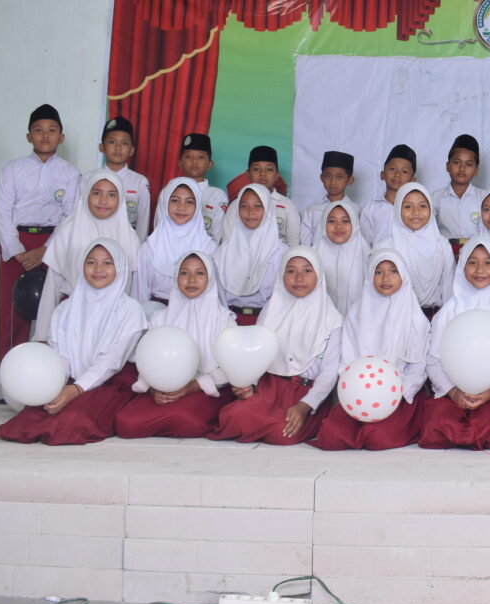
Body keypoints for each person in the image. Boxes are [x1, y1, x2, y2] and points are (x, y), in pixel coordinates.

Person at [0, 239, 145, 445]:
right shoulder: (65, 309)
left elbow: (111, 362)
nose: (98, 269)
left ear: (120, 268)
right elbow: (61, 356)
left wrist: (76, 390)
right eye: (91, 262)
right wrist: (56, 388)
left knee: (71, 422)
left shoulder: (131, 311)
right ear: (82, 266)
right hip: (71, 381)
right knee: (28, 421)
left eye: (107, 263)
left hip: (111, 383)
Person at [208, 247, 343, 445]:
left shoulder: (332, 320)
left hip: (305, 393)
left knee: (281, 432)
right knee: (231, 417)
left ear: (319, 275)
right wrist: (249, 385)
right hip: (270, 388)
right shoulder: (270, 311)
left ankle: (283, 420)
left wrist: (304, 406)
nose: (298, 278)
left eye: (307, 270)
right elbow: (257, 355)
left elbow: (329, 373)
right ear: (281, 275)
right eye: (291, 271)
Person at [307, 249, 430, 450]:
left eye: (393, 271)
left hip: (399, 395)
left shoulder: (415, 319)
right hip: (359, 393)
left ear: (404, 276)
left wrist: (395, 395)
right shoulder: (356, 314)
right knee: (332, 435)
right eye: (378, 272)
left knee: (377, 438)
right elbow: (347, 362)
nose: (385, 278)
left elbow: (417, 368)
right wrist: (360, 393)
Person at [420, 237, 490, 450]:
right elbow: (433, 362)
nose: (480, 269)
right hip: (455, 393)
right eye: (472, 262)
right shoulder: (448, 313)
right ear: (462, 266)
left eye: (488, 262)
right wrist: (454, 392)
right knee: (436, 426)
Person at [114, 251, 236, 438]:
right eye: (184, 273)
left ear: (210, 278)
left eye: (199, 273)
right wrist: (154, 387)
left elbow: (231, 367)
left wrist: (192, 386)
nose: (191, 280)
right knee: (126, 423)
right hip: (163, 388)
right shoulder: (160, 318)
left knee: (186, 420)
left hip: (203, 389)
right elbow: (146, 358)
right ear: (176, 277)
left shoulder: (224, 319)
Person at [0, 103, 80, 361]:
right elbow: (1, 212)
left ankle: (54, 372)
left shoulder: (70, 174)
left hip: (53, 243)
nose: (45, 135)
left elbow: (70, 216)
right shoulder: (12, 169)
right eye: (38, 130)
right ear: (28, 136)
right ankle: (11, 375)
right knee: (12, 313)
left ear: (61, 137)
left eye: (52, 130)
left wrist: (45, 251)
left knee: (56, 310)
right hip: (16, 244)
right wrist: (17, 251)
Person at [35, 171, 141, 342]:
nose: (103, 201)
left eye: (111, 195)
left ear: (121, 198)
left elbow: (135, 291)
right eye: (96, 193)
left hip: (115, 324)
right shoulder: (68, 231)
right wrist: (43, 335)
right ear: (86, 195)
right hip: (72, 321)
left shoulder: (130, 237)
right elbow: (51, 289)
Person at [374, 182, 454, 318]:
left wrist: (446, 321)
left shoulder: (442, 246)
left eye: (422, 206)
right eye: (408, 206)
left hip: (434, 318)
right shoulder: (385, 247)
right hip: (396, 318)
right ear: (398, 209)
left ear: (430, 209)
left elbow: (449, 290)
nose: (416, 212)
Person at [133, 177, 215, 304]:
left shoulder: (209, 248)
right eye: (175, 200)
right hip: (154, 311)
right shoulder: (149, 247)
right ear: (165, 202)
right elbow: (140, 293)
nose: (181, 207)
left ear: (197, 206)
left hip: (194, 312)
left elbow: (211, 295)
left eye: (189, 202)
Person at [214, 183, 285, 325]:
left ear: (268, 210)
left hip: (268, 323)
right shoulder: (223, 252)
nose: (250, 212)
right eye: (244, 206)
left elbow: (282, 298)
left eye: (258, 206)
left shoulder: (281, 252)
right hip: (228, 322)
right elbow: (218, 298)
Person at [155, 133, 228, 244]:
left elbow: (217, 236)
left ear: (210, 164)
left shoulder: (217, 196)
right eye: (188, 156)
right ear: (180, 163)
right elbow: (159, 227)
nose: (194, 161)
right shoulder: (168, 191)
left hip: (203, 253)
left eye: (200, 157)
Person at [87, 116, 150, 241]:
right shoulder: (87, 179)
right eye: (112, 142)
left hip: (127, 241)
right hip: (94, 239)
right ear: (101, 147)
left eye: (124, 143)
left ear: (131, 150)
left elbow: (143, 222)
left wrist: (139, 248)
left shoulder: (139, 182)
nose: (118, 148)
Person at [311, 201, 368, 314]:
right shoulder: (312, 256)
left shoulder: (367, 256)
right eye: (332, 221)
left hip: (358, 319)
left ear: (354, 224)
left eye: (345, 221)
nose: (338, 226)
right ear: (324, 224)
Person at [432, 133, 484, 256]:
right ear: (447, 166)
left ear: (476, 170)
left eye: (469, 164)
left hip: (476, 255)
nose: (462, 168)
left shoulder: (485, 198)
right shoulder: (434, 198)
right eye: (457, 162)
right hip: (444, 254)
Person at [238, 145, 300, 246]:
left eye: (269, 169)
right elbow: (229, 241)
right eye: (256, 169)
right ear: (248, 174)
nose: (263, 173)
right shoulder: (237, 205)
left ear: (277, 175)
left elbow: (293, 244)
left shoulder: (288, 205)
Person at [360, 144, 417, 244]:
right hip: (377, 254)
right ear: (382, 174)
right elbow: (363, 244)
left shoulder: (417, 210)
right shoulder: (371, 208)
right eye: (392, 169)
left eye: (404, 171)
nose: (397, 175)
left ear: (412, 180)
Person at [300, 151, 357, 245]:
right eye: (328, 176)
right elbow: (305, 246)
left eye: (339, 177)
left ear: (350, 180)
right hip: (316, 255)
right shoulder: (312, 211)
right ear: (321, 178)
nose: (333, 182)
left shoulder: (357, 211)